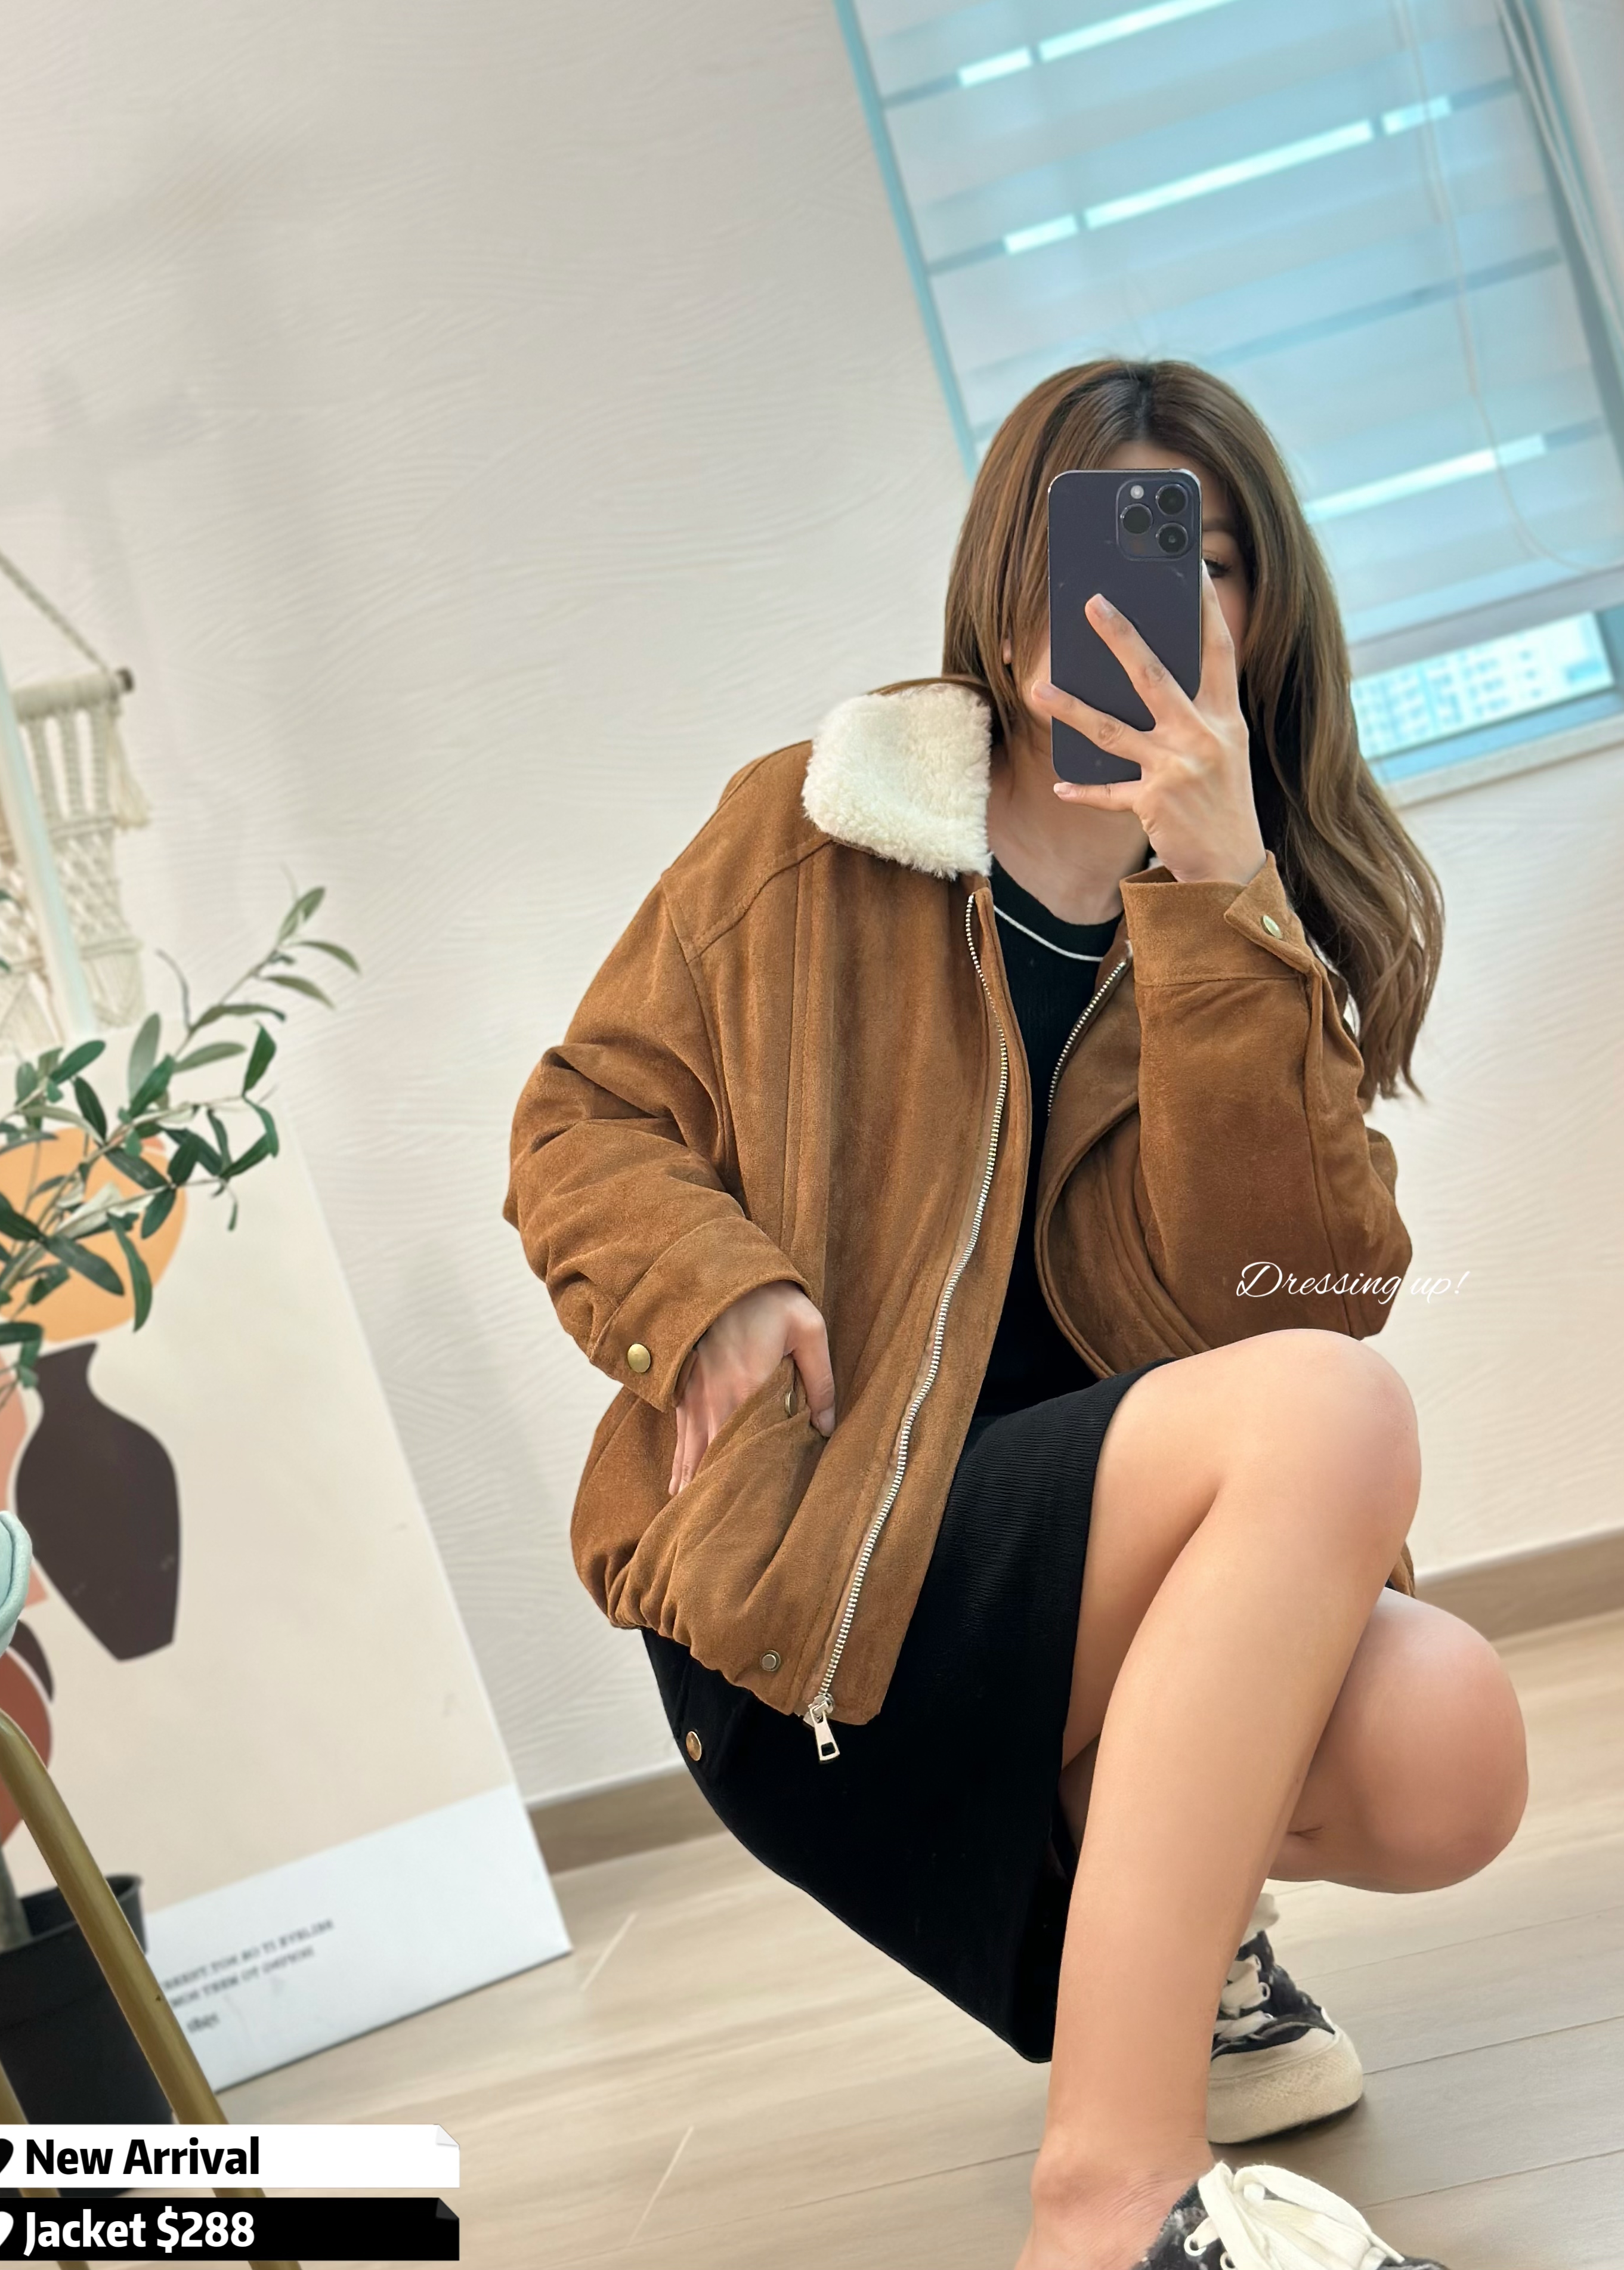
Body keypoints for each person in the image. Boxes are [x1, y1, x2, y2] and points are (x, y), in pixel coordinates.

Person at [506, 360, 1529, 2270]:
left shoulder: (1266, 903)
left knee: (1452, 1740)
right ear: (1006, 591)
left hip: (1088, 1594)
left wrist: (1222, 904)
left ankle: (1179, 1959)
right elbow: (582, 1114)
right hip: (826, 1586)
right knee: (1328, 1422)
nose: (1162, 602)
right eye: (1114, 551)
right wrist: (708, 1284)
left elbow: (1303, 1294)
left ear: (1266, 615)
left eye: (1212, 561)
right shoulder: (814, 832)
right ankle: (1114, 2198)